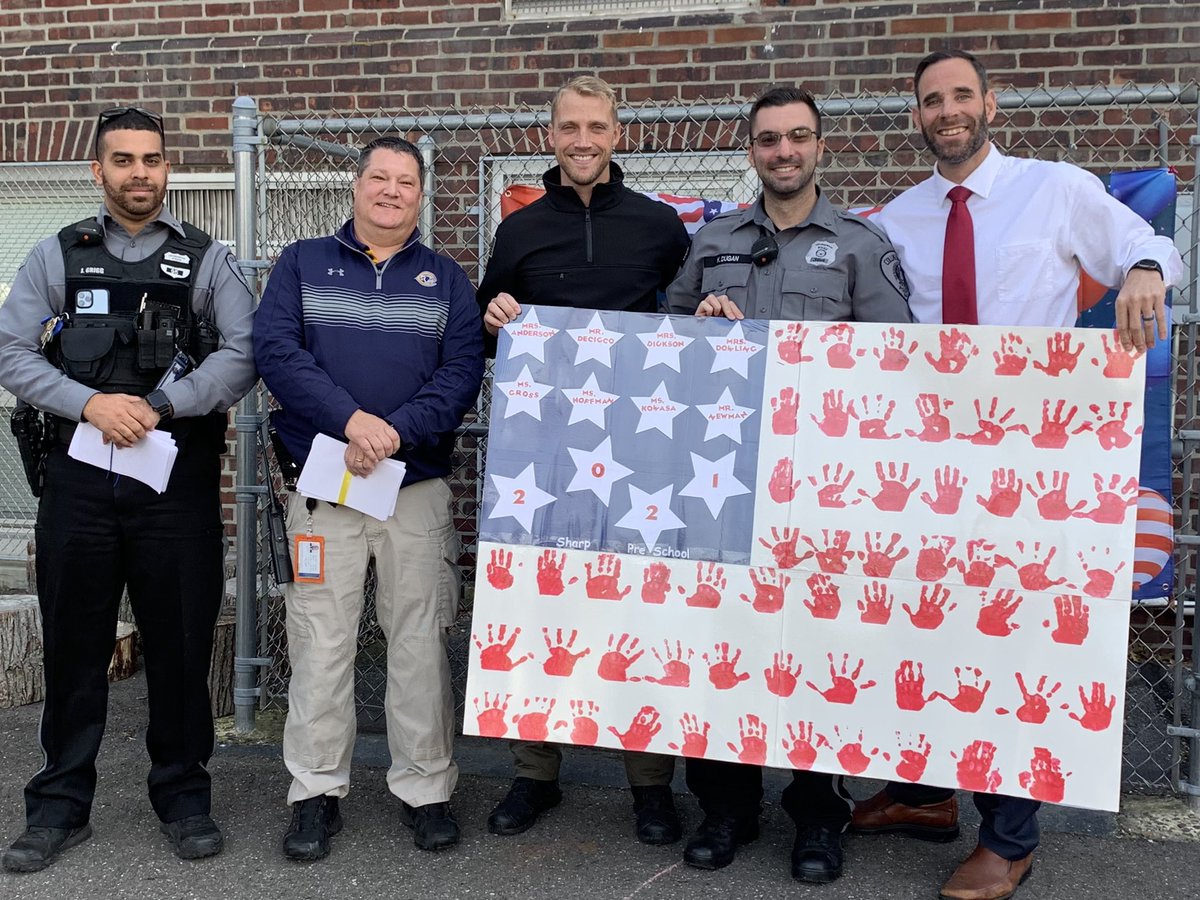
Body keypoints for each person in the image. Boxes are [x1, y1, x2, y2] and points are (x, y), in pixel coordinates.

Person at [857, 48, 1184, 900]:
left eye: (961, 95)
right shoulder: (896, 218)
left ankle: (1011, 837)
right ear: (918, 116)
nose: (948, 111)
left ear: (990, 104)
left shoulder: (1057, 188)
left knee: (1010, 641)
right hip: (927, 465)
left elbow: (1142, 242)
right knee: (921, 632)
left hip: (1029, 466)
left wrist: (1147, 271)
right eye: (932, 100)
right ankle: (926, 795)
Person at [666, 85, 913, 883]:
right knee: (725, 646)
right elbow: (660, 346)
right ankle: (726, 807)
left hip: (823, 487)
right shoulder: (710, 242)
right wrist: (696, 330)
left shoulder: (857, 245)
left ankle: (818, 816)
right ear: (750, 152)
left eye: (797, 137)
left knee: (818, 648)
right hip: (723, 481)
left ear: (818, 146)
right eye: (768, 139)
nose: (783, 151)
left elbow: (900, 363)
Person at [0, 107, 256, 872]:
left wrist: (162, 404)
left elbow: (245, 353)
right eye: (123, 160)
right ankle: (58, 806)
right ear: (98, 170)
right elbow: (11, 351)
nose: (139, 173)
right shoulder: (58, 256)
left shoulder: (207, 261)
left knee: (178, 646)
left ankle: (183, 797)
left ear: (166, 168)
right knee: (74, 649)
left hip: (171, 479)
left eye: (151, 160)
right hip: (77, 479)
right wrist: (89, 403)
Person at [254, 136, 484, 861]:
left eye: (405, 182)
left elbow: (461, 374)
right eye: (378, 178)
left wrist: (391, 434)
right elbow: (278, 353)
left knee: (419, 641)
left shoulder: (446, 279)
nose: (391, 191)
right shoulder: (301, 263)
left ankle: (427, 789)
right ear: (355, 188)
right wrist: (351, 423)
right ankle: (315, 791)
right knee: (320, 642)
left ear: (421, 196)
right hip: (324, 485)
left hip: (414, 490)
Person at [477, 75, 691, 844]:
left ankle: (650, 786)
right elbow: (487, 323)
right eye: (569, 126)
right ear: (551, 136)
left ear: (618, 134)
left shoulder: (662, 228)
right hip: (547, 458)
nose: (582, 140)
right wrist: (493, 311)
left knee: (640, 609)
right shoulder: (521, 232)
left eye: (596, 126)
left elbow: (693, 325)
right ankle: (535, 775)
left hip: (645, 456)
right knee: (544, 604)